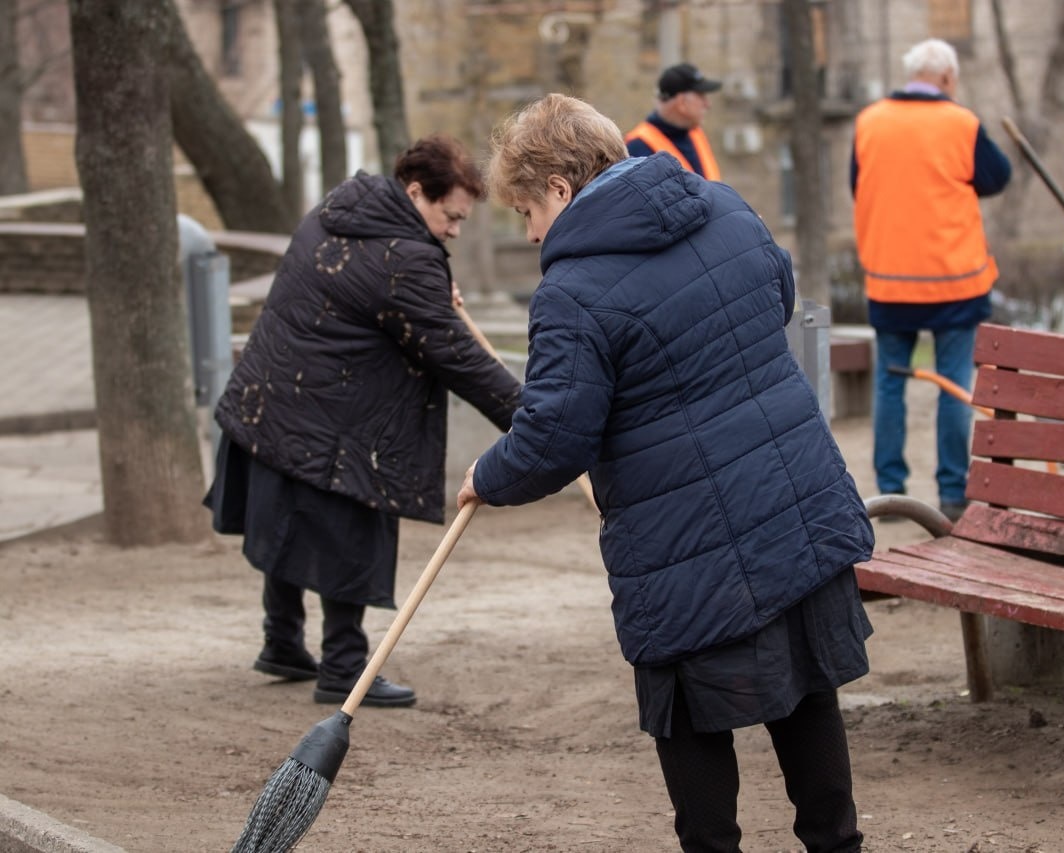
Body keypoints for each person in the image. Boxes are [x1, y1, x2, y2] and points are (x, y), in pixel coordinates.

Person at [460, 93, 875, 853]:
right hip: (790, 496)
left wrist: (487, 475)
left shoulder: (571, 292)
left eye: (525, 211)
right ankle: (837, 844)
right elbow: (776, 292)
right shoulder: (723, 205)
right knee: (805, 684)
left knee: (685, 704)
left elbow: (555, 436)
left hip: (682, 537)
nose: (529, 233)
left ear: (559, 185)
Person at [204, 135, 521, 708]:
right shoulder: (405, 258)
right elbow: (457, 357)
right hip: (335, 425)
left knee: (291, 527)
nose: (453, 230)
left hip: (271, 402)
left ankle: (282, 642)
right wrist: (532, 419)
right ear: (415, 191)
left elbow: (373, 301)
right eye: (450, 216)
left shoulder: (339, 210)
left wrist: (428, 288)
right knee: (347, 534)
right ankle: (344, 668)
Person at [850, 38, 1011, 523]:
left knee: (889, 385)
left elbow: (858, 186)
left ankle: (892, 493)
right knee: (954, 384)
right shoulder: (961, 123)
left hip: (889, 280)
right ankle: (952, 492)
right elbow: (996, 178)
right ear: (946, 78)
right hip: (955, 281)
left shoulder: (869, 121)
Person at [624, 62, 723, 179]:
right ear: (681, 103)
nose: (707, 104)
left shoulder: (695, 133)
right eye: (701, 96)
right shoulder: (638, 147)